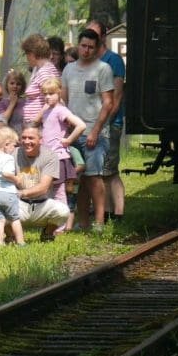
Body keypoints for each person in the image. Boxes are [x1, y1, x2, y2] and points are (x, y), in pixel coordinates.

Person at [61, 29, 115, 231]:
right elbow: (64, 100)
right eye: (83, 46)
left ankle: (99, 222)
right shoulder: (68, 69)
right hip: (73, 132)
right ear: (78, 45)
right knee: (78, 179)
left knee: (94, 176)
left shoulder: (104, 69)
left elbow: (108, 103)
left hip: (94, 132)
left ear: (97, 47)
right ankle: (83, 222)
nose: (86, 50)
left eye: (90, 47)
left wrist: (95, 131)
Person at [87, 19, 126, 221]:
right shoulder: (87, 61)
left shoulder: (114, 61)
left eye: (94, 33)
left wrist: (103, 124)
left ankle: (118, 213)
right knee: (98, 171)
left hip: (110, 123)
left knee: (110, 170)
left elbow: (116, 98)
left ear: (103, 37)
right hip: (92, 124)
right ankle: (106, 212)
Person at [39, 76, 86, 225]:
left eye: (51, 93)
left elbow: (80, 125)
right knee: (49, 191)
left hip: (58, 157)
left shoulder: (61, 110)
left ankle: (61, 224)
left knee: (59, 192)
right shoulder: (47, 111)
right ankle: (52, 221)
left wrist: (68, 140)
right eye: (45, 94)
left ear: (59, 93)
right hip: (47, 157)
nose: (47, 97)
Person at [14, 121, 71, 240]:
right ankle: (11, 236)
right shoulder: (13, 154)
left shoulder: (50, 156)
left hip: (42, 205)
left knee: (63, 211)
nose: (26, 141)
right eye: (23, 138)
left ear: (40, 140)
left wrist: (21, 193)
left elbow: (43, 187)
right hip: (18, 205)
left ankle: (47, 233)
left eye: (31, 138)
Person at [20, 34, 59, 122]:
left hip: (41, 126)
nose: (27, 58)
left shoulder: (45, 71)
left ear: (32, 53)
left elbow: (51, 101)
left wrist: (35, 122)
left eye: (26, 54)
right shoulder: (40, 69)